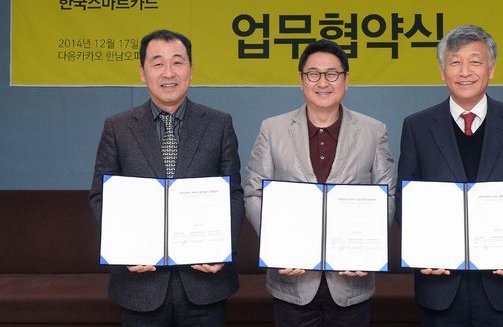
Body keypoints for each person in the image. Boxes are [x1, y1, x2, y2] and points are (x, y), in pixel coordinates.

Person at [397, 25, 503, 326]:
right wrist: (421, 250)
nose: (465, 71)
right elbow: (406, 195)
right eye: (455, 62)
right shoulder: (417, 126)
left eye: (475, 61)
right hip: (439, 282)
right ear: (442, 71)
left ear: (491, 69)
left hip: (502, 283)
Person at [88, 29, 243, 326]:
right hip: (139, 283)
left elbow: (233, 193)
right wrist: (123, 247)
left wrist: (224, 250)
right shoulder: (118, 127)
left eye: (178, 62)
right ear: (142, 72)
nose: (168, 72)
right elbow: (100, 196)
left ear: (191, 70)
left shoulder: (219, 124)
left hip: (204, 282)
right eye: (158, 63)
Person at [243, 39, 395, 327]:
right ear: (301, 80)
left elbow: (387, 195)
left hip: (351, 282)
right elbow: (254, 192)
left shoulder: (373, 131)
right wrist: (279, 245)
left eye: (332, 74)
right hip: (292, 282)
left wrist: (367, 250)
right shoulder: (272, 129)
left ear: (346, 80)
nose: (323, 82)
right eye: (313, 74)